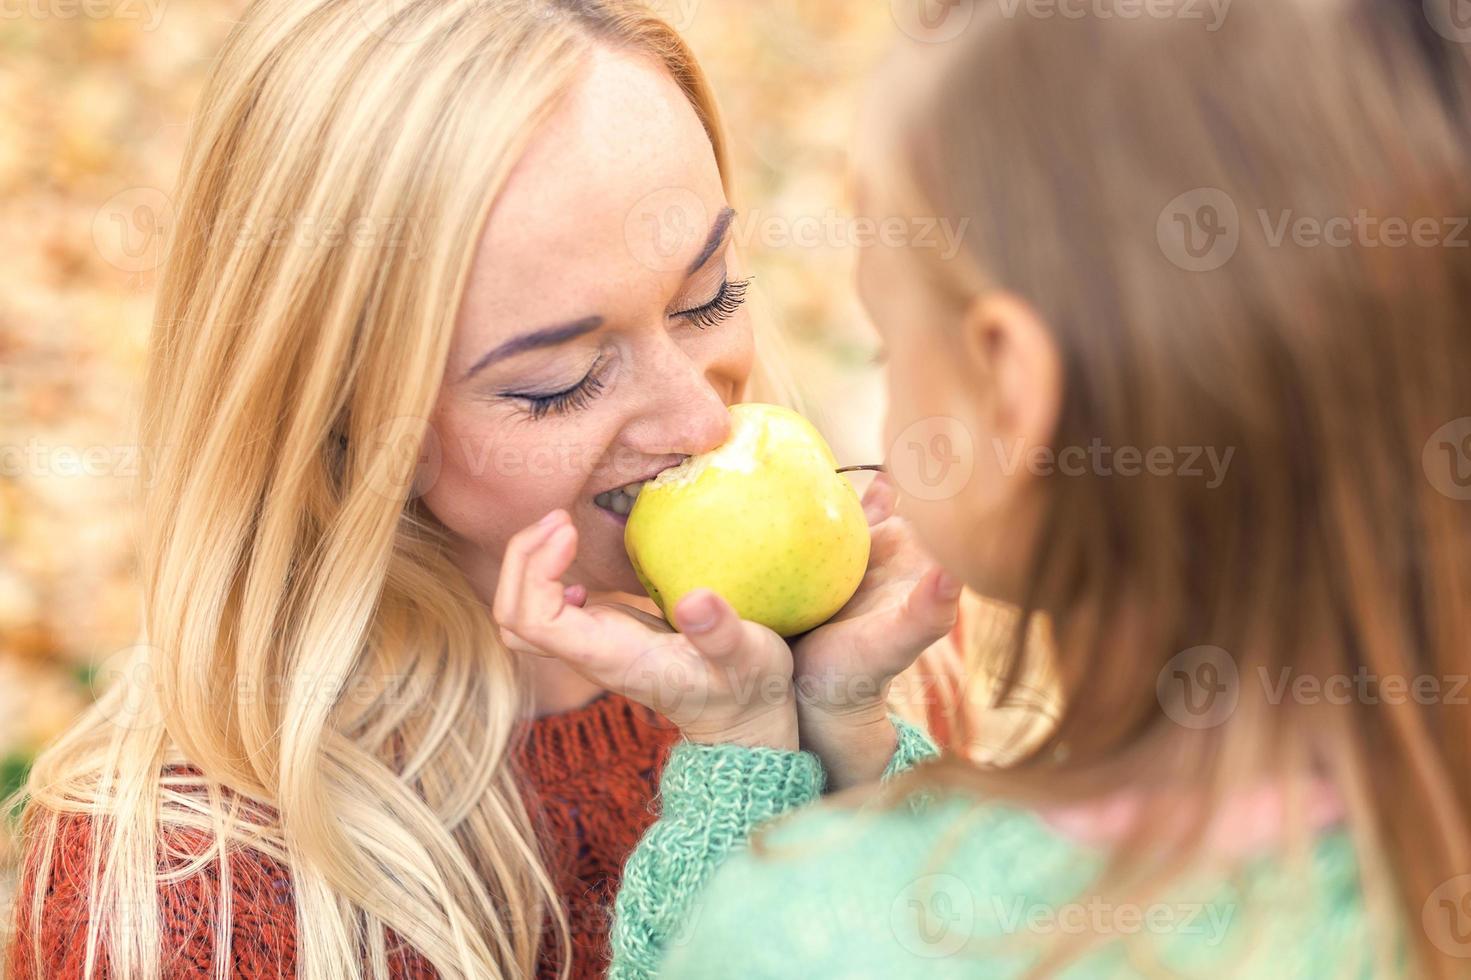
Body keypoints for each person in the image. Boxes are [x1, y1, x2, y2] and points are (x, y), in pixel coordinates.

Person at [499, 0, 1471, 976]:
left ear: (1010, 388)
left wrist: (740, 759)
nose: (707, 426)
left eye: (891, 346)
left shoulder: (801, 930)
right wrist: (842, 729)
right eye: (555, 379)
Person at [2, 1, 963, 977]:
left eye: (707, 295)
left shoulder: (887, 657)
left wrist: (845, 746)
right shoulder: (189, 902)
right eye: (560, 379)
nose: (701, 424)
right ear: (348, 419)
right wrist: (742, 778)